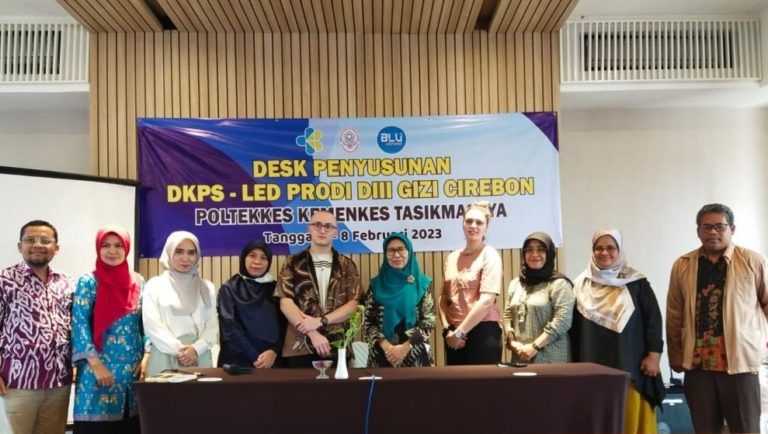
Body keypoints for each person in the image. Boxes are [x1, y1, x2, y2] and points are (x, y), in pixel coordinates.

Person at [667, 203, 768, 433]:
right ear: (698, 231)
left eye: (720, 226)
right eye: (706, 227)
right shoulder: (683, 265)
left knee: (746, 428)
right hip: (697, 365)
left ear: (732, 229)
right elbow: (674, 314)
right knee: (705, 428)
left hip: (740, 365)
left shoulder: (753, 261)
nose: (713, 232)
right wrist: (675, 355)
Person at [571, 229, 664, 434]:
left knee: (629, 416)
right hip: (591, 361)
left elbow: (653, 320)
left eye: (611, 248)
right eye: (599, 248)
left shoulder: (636, 282)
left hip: (630, 362)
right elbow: (573, 329)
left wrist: (654, 356)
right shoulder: (579, 284)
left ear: (619, 250)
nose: (604, 252)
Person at [0, 220, 74, 434]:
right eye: (30, 239)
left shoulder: (67, 282)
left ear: (56, 247)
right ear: (19, 246)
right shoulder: (5, 280)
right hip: (15, 383)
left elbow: (73, 327)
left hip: (58, 383)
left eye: (45, 240)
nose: (38, 245)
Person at [71, 226, 146, 433]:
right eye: (105, 245)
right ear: (98, 248)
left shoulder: (138, 281)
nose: (112, 251)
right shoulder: (89, 281)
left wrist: (147, 356)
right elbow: (79, 323)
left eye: (118, 246)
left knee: (130, 426)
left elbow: (144, 323)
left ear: (126, 248)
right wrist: (96, 365)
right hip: (97, 370)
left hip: (132, 372)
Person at [276, 210, 362, 368]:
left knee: (338, 386)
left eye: (328, 226)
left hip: (337, 345)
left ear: (335, 232)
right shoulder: (292, 262)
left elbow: (354, 304)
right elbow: (285, 302)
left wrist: (320, 321)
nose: (322, 230)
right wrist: (312, 332)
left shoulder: (347, 265)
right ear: (309, 229)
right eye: (317, 225)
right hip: (300, 346)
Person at [142, 231, 218, 376]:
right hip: (165, 355)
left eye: (191, 253)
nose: (185, 258)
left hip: (198, 356)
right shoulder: (155, 286)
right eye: (179, 252)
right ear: (169, 252)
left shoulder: (207, 288)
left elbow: (212, 325)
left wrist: (195, 349)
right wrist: (181, 351)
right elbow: (152, 326)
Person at [439, 201, 503, 365]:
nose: (473, 225)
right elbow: (443, 298)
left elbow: (487, 300)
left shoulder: (490, 254)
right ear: (463, 224)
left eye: (479, 222)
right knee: (456, 382)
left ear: (486, 228)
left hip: (483, 332)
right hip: (453, 336)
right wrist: (447, 329)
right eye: (469, 221)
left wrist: (460, 332)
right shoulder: (452, 257)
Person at [365, 233, 436, 367]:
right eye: (391, 250)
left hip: (416, 352)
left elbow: (429, 320)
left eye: (401, 249)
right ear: (385, 254)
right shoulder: (376, 285)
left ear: (409, 251)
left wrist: (404, 348)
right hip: (383, 353)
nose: (396, 255)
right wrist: (387, 347)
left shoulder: (422, 284)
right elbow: (369, 321)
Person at [503, 232, 574, 364]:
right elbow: (507, 315)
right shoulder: (515, 284)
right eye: (529, 250)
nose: (534, 254)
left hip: (551, 358)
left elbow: (562, 321)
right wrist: (512, 341)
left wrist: (534, 347)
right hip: (520, 356)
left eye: (540, 250)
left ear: (549, 253)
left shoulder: (559, 284)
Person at [217, 240, 283, 369]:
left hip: (272, 361)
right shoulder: (229, 288)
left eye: (263, 257)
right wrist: (255, 356)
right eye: (252, 255)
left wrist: (275, 351)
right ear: (244, 258)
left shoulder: (276, 289)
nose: (257, 262)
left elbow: (285, 326)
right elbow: (229, 327)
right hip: (238, 362)